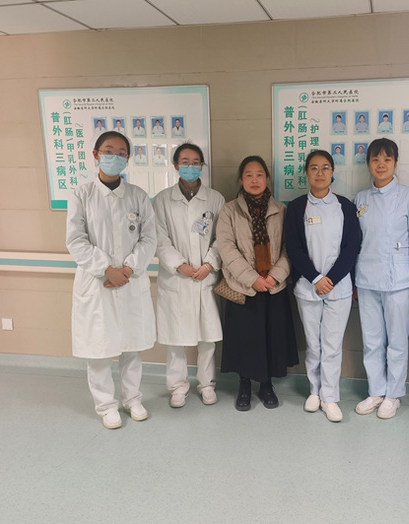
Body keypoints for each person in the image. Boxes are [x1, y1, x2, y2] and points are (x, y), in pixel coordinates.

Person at [65, 131, 156, 429]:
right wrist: (107, 269)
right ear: (95, 155)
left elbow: (149, 238)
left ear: (128, 159)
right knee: (99, 348)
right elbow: (76, 240)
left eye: (121, 153)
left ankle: (133, 399)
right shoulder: (81, 195)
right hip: (97, 282)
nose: (114, 157)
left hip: (130, 281)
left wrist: (128, 269)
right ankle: (106, 405)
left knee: (131, 344)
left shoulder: (138, 196)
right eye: (108, 151)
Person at [217, 156, 298, 411]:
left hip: (274, 286)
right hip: (243, 287)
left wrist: (274, 276)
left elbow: (289, 247)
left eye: (259, 174)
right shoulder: (229, 210)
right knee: (245, 339)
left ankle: (266, 385)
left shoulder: (281, 210)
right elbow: (226, 248)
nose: (254, 180)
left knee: (270, 338)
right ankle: (244, 385)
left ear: (267, 179)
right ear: (241, 180)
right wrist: (252, 279)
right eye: (249, 175)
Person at [285, 150, 361, 422]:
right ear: (306, 173)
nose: (320, 173)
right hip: (308, 286)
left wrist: (332, 279)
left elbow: (352, 247)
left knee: (332, 345)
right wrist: (316, 278)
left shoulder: (345, 206)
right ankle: (314, 391)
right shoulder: (297, 207)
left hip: (338, 288)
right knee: (313, 344)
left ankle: (330, 396)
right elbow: (293, 247)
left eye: (325, 167)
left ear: (332, 173)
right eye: (314, 168)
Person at [153, 143, 226, 408]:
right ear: (175, 165)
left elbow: (222, 237)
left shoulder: (215, 199)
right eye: (185, 161)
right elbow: (159, 238)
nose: (191, 167)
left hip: (205, 276)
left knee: (207, 337)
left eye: (196, 162)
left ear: (202, 166)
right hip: (176, 278)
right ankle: (178, 386)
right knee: (175, 337)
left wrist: (209, 264)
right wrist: (179, 265)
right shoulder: (162, 200)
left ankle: (207, 384)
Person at [354, 138, 409, 419]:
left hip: (399, 281)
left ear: (395, 163)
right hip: (366, 279)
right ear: (368, 164)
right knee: (371, 340)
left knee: (396, 341)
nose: (381, 164)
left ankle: (393, 395)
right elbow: (358, 241)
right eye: (375, 159)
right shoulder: (361, 199)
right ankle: (376, 391)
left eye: (387, 159)